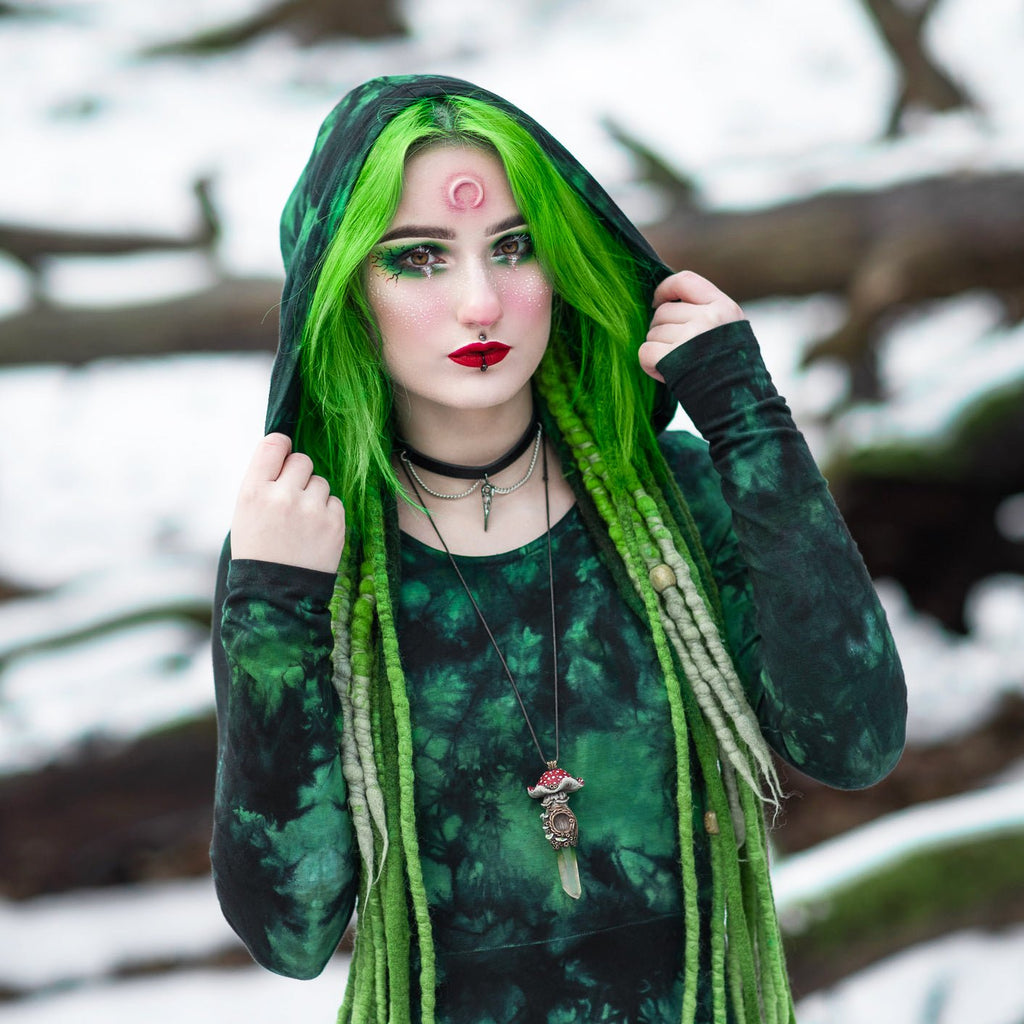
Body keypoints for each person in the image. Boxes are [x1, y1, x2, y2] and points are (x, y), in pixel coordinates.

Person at [211, 75, 906, 1024]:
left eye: (514, 247)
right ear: (343, 286)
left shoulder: (674, 498)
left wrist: (751, 421)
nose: (481, 303)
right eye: (418, 258)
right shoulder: (311, 556)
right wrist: (271, 609)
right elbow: (289, 932)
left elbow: (854, 743)